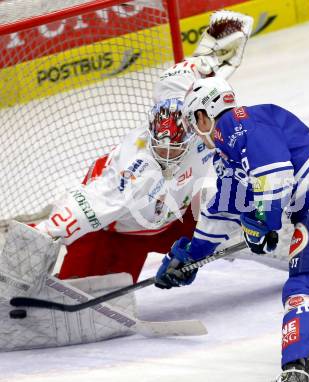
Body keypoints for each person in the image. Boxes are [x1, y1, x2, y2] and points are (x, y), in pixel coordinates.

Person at [154, 76, 309, 381]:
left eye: (193, 123)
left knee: (304, 284)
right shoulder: (229, 147)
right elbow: (225, 209)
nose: (195, 133)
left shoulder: (243, 124)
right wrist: (190, 256)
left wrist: (263, 222)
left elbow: (275, 176)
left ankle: (295, 370)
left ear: (202, 115)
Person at [34, 10, 254, 283]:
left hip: (174, 216)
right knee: (91, 297)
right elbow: (88, 206)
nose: (167, 154)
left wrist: (212, 50)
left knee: (235, 214)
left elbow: (197, 74)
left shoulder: (194, 114)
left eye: (175, 147)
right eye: (161, 148)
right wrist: (44, 234)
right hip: (115, 233)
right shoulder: (135, 170)